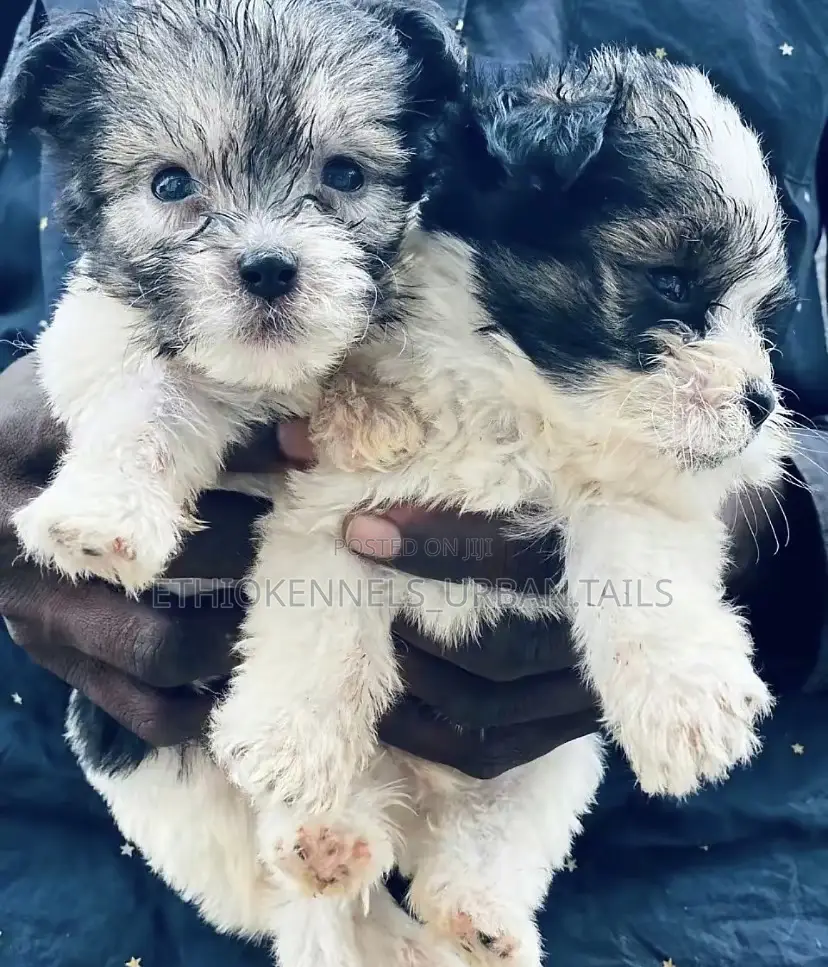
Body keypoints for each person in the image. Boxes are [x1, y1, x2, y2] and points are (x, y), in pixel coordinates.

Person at [1, 1, 827, 964]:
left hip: (704, 872)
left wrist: (762, 531)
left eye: (344, 176)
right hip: (81, 849)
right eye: (175, 183)